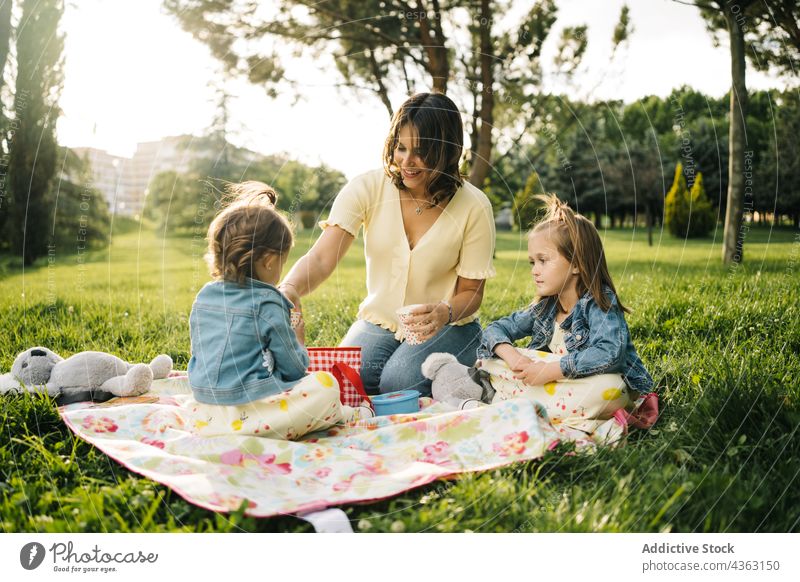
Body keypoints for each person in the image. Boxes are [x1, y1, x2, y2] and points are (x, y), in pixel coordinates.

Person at [279, 92, 496, 397]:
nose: (407, 161)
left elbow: (471, 292)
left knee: (398, 383)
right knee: (344, 380)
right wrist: (288, 289)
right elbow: (320, 259)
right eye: (401, 147)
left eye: (421, 151)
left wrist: (442, 313)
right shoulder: (367, 187)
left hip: (450, 324)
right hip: (380, 321)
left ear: (447, 151)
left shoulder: (475, 206)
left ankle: (470, 372)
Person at [186, 182, 372, 440]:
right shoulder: (268, 302)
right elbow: (294, 369)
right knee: (325, 386)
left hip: (204, 411)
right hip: (253, 416)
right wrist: (297, 332)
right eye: (282, 261)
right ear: (269, 261)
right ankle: (346, 414)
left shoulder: (205, 295)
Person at [476, 194, 654, 431]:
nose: (534, 271)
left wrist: (550, 370)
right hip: (554, 385)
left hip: (590, 384)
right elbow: (495, 330)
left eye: (543, 260)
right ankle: (540, 406)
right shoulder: (546, 307)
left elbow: (610, 352)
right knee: (490, 361)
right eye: (532, 262)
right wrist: (515, 358)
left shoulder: (599, 301)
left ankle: (513, 403)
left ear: (577, 264)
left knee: (609, 389)